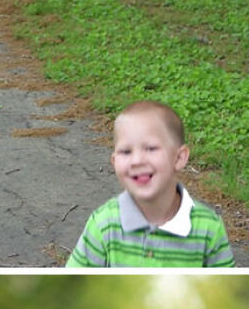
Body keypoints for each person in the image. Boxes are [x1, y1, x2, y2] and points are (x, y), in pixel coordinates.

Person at [66, 101, 235, 267]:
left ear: (179, 157)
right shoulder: (104, 224)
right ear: (114, 161)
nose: (137, 160)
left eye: (151, 148)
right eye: (126, 151)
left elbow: (229, 291)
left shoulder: (209, 229)